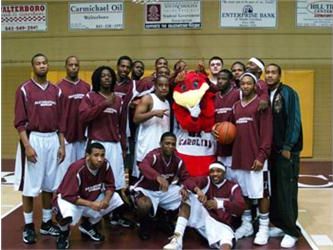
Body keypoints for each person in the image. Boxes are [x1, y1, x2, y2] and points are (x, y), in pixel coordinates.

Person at [13, 53, 65, 244]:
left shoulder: (56, 91)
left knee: (49, 185)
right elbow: (19, 122)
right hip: (33, 138)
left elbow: (61, 122)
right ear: (33, 66)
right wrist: (27, 146)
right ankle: (28, 226)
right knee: (29, 187)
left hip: (52, 139)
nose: (42, 66)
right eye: (38, 63)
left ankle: (45, 223)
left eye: (44, 63)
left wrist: (61, 145)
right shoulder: (24, 89)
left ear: (48, 66)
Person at [79, 66, 131, 227]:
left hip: (114, 145)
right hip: (97, 144)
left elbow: (121, 125)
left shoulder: (119, 100)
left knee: (114, 183)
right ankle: (89, 220)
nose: (107, 78)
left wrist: (123, 146)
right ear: (97, 79)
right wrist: (103, 105)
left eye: (109, 76)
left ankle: (113, 216)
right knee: (94, 183)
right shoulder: (90, 96)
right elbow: (83, 117)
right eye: (103, 76)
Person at [53, 142, 124, 249]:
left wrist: (106, 199)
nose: (100, 159)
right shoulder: (77, 168)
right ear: (87, 156)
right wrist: (91, 204)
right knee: (65, 215)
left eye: (102, 155)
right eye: (96, 155)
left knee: (115, 198)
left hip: (90, 199)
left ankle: (88, 225)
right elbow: (68, 195)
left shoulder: (105, 165)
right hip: (71, 200)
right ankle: (64, 233)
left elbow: (110, 186)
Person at [230, 73, 272, 245]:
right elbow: (230, 131)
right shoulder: (235, 106)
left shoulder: (261, 105)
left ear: (255, 86)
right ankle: (247, 224)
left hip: (257, 157)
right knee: (245, 192)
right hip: (239, 156)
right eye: (243, 84)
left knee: (262, 193)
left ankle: (263, 228)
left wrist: (262, 155)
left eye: (249, 83)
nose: (245, 86)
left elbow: (267, 133)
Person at [163, 161, 245, 250]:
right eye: (212, 171)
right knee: (187, 196)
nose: (215, 174)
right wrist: (197, 190)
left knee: (226, 242)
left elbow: (240, 207)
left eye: (218, 171)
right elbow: (189, 181)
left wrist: (220, 204)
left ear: (224, 173)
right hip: (205, 220)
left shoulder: (233, 187)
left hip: (223, 225)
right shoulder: (207, 181)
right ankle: (177, 240)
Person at [265, 64, 303, 248]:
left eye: (273, 72)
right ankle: (281, 224)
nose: (270, 75)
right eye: (268, 72)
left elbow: (295, 120)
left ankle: (292, 231)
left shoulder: (288, 92)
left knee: (287, 191)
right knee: (276, 191)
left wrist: (289, 145)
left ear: (279, 75)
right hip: (271, 151)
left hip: (286, 151)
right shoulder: (265, 93)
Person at [130, 132, 190, 240]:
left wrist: (185, 187)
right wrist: (157, 176)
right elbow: (143, 166)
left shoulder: (178, 160)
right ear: (161, 144)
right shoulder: (154, 155)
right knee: (144, 205)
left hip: (163, 191)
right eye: (167, 143)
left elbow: (185, 177)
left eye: (173, 144)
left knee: (186, 196)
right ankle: (144, 225)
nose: (170, 146)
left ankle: (164, 219)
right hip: (146, 189)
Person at [55, 56, 91, 187]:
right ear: (66, 66)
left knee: (81, 172)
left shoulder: (87, 87)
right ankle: (58, 203)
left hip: (83, 137)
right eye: (71, 65)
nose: (74, 67)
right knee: (64, 174)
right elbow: (56, 115)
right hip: (66, 138)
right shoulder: (58, 87)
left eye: (76, 65)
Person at [132, 75, 171, 179]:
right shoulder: (148, 98)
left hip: (160, 147)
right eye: (160, 85)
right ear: (155, 86)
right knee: (143, 176)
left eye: (166, 85)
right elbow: (136, 118)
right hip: (146, 145)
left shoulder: (167, 102)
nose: (164, 88)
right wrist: (153, 113)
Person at [212, 69, 240, 178]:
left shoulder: (237, 94)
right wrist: (213, 128)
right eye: (218, 79)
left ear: (231, 81)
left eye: (223, 79)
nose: (220, 81)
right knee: (222, 176)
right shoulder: (215, 97)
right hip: (219, 143)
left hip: (234, 144)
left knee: (235, 178)